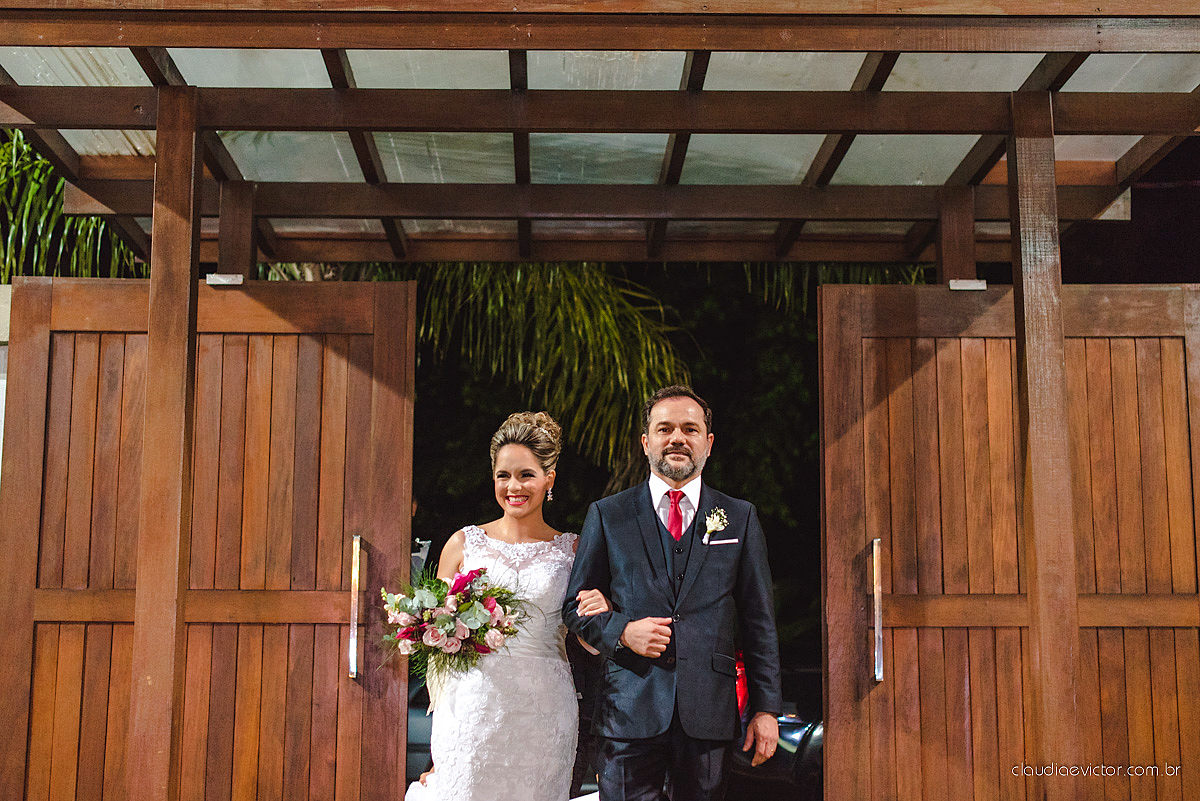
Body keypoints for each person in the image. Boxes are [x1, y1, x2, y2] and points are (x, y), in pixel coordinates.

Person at [563, 385, 782, 801]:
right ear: (646, 442)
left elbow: (759, 620)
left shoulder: (740, 517)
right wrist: (623, 632)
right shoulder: (608, 514)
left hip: (709, 713)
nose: (677, 438)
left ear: (708, 442)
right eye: (665, 429)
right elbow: (574, 608)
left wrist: (766, 708)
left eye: (689, 429)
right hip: (627, 709)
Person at [407, 411, 609, 801]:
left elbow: (592, 643)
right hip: (470, 709)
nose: (513, 486)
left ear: (549, 480)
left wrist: (603, 613)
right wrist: (439, 752)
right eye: (503, 475)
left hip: (545, 711)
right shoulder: (464, 544)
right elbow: (436, 645)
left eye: (526, 475)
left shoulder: (573, 550)